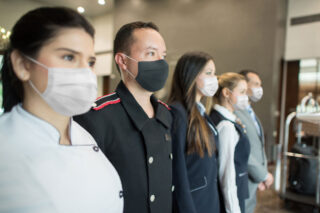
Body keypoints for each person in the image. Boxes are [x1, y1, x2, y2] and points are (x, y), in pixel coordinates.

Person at [0, 7, 123, 213]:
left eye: (90, 61)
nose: (85, 71)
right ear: (22, 64)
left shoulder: (85, 137)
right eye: (68, 57)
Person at [74, 21, 172, 213]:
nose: (161, 62)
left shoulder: (166, 114)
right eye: (151, 53)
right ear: (123, 60)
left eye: (163, 55)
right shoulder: (96, 117)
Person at [168, 51, 221, 213]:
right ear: (191, 75)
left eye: (215, 73)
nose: (214, 78)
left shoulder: (201, 111)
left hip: (208, 198)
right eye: (208, 73)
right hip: (193, 203)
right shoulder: (177, 113)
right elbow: (178, 171)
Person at [210, 72, 251, 213]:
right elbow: (226, 173)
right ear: (227, 93)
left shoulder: (229, 119)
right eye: (242, 92)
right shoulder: (226, 126)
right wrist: (233, 209)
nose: (246, 97)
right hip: (230, 198)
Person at [235, 70, 273, 213]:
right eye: (256, 84)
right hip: (244, 177)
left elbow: (258, 144)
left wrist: (260, 175)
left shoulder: (249, 111)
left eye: (260, 84)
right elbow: (241, 148)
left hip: (253, 180)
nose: (259, 88)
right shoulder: (235, 111)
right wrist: (262, 174)